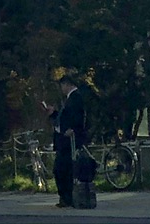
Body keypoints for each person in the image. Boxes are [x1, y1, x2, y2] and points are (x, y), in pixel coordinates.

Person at [46, 70, 90, 209]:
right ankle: (66, 196)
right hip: (66, 138)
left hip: (68, 140)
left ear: (67, 85)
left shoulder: (75, 98)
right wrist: (54, 114)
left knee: (62, 168)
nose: (61, 89)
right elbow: (67, 118)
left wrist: (72, 129)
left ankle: (66, 197)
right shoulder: (73, 99)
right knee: (64, 168)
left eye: (62, 86)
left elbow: (75, 118)